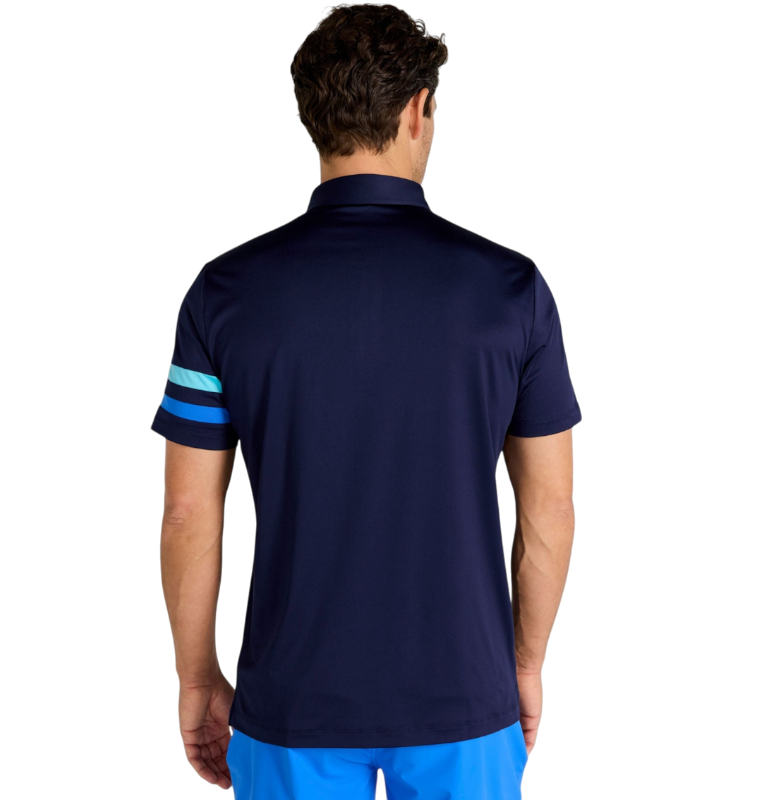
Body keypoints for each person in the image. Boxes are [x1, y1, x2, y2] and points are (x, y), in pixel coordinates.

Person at [154, 3, 580, 798]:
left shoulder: (223, 293)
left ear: (312, 117)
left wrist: (197, 678)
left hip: (289, 710)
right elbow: (550, 507)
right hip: (465, 705)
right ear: (419, 110)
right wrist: (523, 667)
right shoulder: (513, 290)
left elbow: (186, 512)